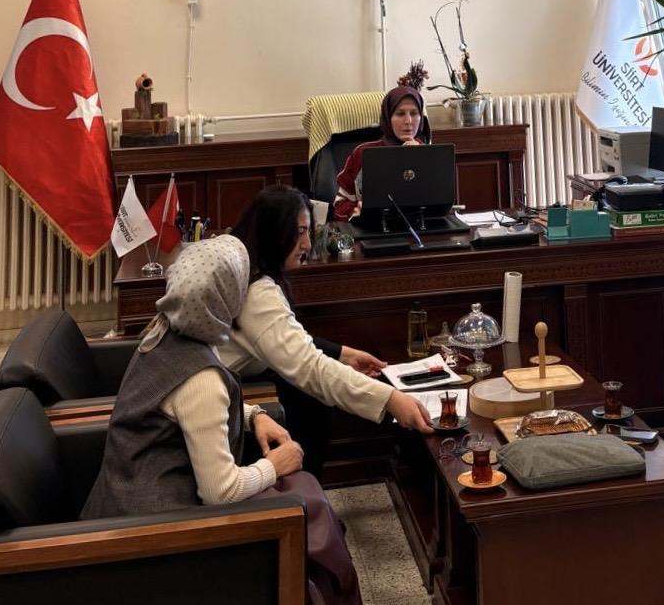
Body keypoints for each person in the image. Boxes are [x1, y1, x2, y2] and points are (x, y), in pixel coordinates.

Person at [81, 236, 360, 604]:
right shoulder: (203, 378)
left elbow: (179, 410)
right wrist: (274, 466)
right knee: (304, 501)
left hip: (119, 505)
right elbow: (220, 492)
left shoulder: (162, 332)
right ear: (227, 299)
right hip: (157, 541)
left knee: (304, 496)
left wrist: (253, 415)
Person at [222, 184, 433, 478]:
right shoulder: (258, 293)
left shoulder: (253, 271)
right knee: (310, 397)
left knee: (309, 401)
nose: (307, 244)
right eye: (299, 232)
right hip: (224, 391)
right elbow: (311, 367)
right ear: (273, 233)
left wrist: (344, 354)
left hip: (243, 374)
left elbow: (287, 339)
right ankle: (304, 493)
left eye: (308, 232)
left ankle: (308, 489)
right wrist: (391, 399)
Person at [333, 84, 432, 221]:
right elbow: (340, 203)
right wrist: (355, 212)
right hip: (373, 228)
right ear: (387, 117)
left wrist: (419, 158)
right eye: (400, 114)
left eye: (414, 113)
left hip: (419, 227)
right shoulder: (363, 153)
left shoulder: (430, 154)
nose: (408, 121)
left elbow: (440, 202)